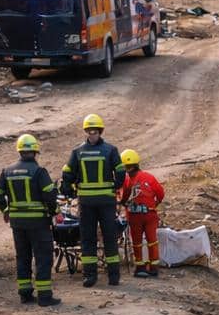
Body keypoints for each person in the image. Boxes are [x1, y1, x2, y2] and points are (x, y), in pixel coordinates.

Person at [0, 134, 60, 306]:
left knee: (23, 257)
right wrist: (54, 211)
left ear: (20, 151)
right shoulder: (39, 171)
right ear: (35, 151)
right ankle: (44, 296)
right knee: (43, 257)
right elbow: (50, 195)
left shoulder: (7, 171)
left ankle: (25, 294)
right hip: (38, 223)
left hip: (18, 224)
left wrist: (5, 209)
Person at [60, 113, 125, 287]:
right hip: (101, 202)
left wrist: (70, 189)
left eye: (94, 131)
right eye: (90, 131)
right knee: (100, 237)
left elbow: (67, 174)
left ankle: (106, 276)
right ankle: (97, 276)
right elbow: (120, 172)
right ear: (87, 132)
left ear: (100, 131)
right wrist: (114, 187)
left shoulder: (78, 152)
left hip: (90, 202)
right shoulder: (110, 150)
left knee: (96, 238)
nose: (92, 134)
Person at [117, 149, 165, 279]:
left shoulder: (127, 180)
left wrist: (122, 202)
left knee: (137, 242)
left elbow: (124, 197)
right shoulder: (149, 177)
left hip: (134, 216)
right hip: (149, 214)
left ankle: (140, 267)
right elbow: (160, 193)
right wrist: (155, 204)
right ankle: (153, 268)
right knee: (151, 240)